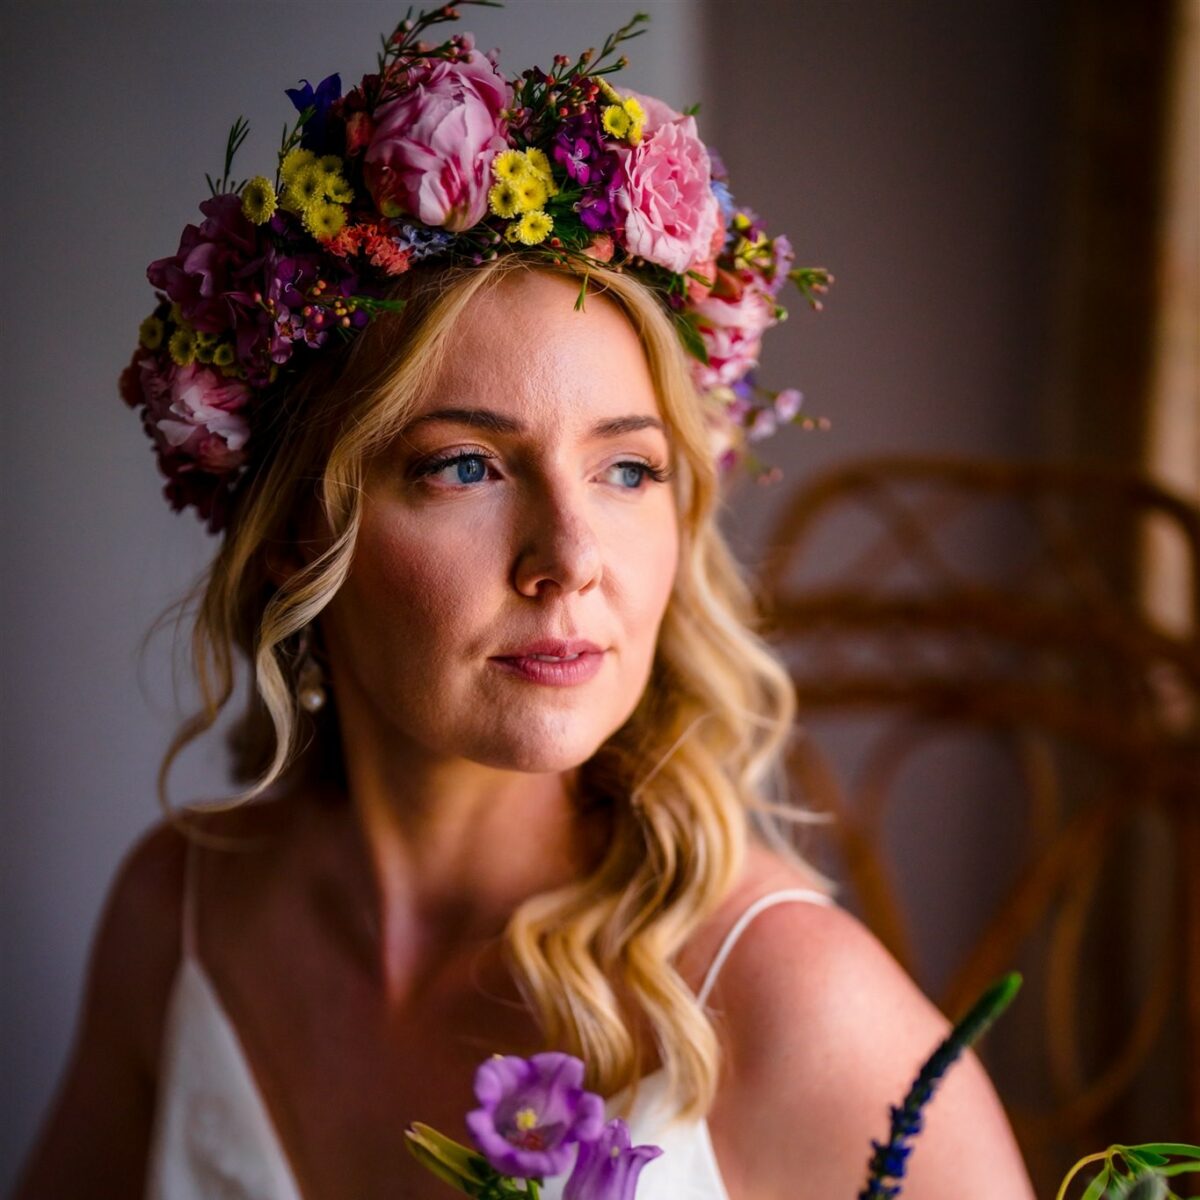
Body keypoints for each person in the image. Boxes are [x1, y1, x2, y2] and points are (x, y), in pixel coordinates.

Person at [14, 8, 1035, 1199]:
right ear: (300, 532)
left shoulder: (789, 1005)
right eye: (466, 466)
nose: (570, 559)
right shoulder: (180, 917)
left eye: (628, 469)